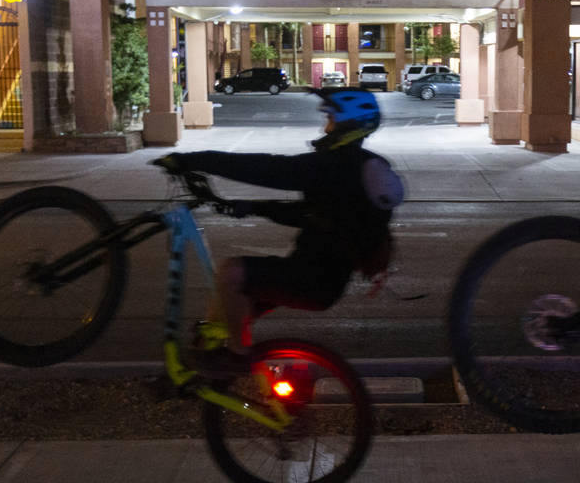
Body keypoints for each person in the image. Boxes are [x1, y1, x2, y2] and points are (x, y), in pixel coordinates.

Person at [152, 87, 404, 374]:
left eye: (330, 119)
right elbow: (311, 216)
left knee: (231, 273)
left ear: (346, 124)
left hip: (313, 280)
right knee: (220, 318)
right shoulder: (355, 169)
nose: (326, 126)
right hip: (315, 276)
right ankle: (204, 372)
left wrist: (192, 160)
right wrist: (252, 207)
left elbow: (266, 168)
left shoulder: (337, 166)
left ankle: (238, 357)